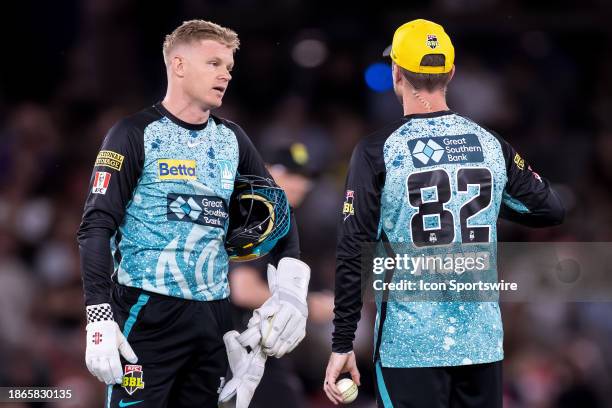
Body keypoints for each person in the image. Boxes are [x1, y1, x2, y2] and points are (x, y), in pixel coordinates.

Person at [323, 19, 564, 407]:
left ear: (395, 73)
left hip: (410, 345)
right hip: (482, 345)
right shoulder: (489, 143)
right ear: (450, 72)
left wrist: (341, 343)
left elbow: (353, 249)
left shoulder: (377, 150)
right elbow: (550, 208)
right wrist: (481, 197)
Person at [77, 20, 309, 408]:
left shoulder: (233, 139)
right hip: (146, 311)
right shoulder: (134, 133)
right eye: (213, 63)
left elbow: (279, 217)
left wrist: (292, 295)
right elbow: (95, 227)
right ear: (178, 65)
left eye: (229, 68)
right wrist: (98, 315)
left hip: (214, 322)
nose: (225, 75)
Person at [229, 142, 334, 407]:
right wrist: (305, 304)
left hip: (256, 349)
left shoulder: (283, 224)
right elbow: (243, 289)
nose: (300, 184)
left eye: (306, 177)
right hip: (232, 346)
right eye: (289, 173)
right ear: (265, 171)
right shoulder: (254, 216)